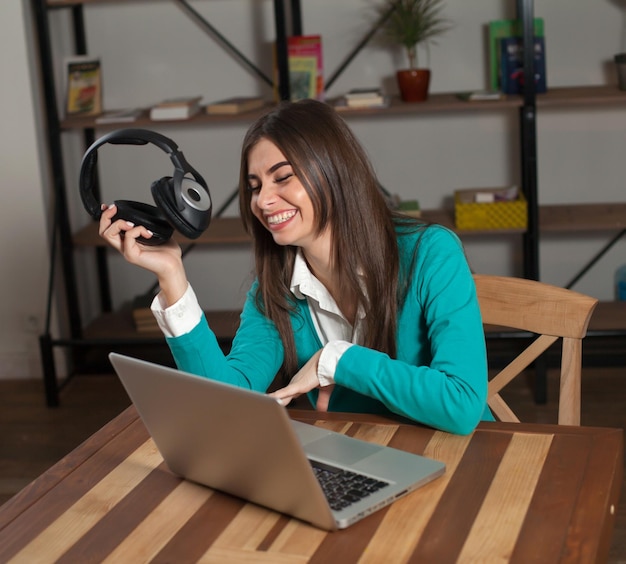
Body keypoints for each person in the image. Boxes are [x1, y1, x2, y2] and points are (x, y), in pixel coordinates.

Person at [99, 99, 493, 435]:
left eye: (282, 177)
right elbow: (227, 401)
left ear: (334, 172)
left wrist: (335, 360)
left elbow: (461, 404)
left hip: (467, 459)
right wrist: (173, 277)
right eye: (254, 186)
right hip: (363, 457)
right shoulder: (275, 289)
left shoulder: (431, 252)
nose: (263, 201)